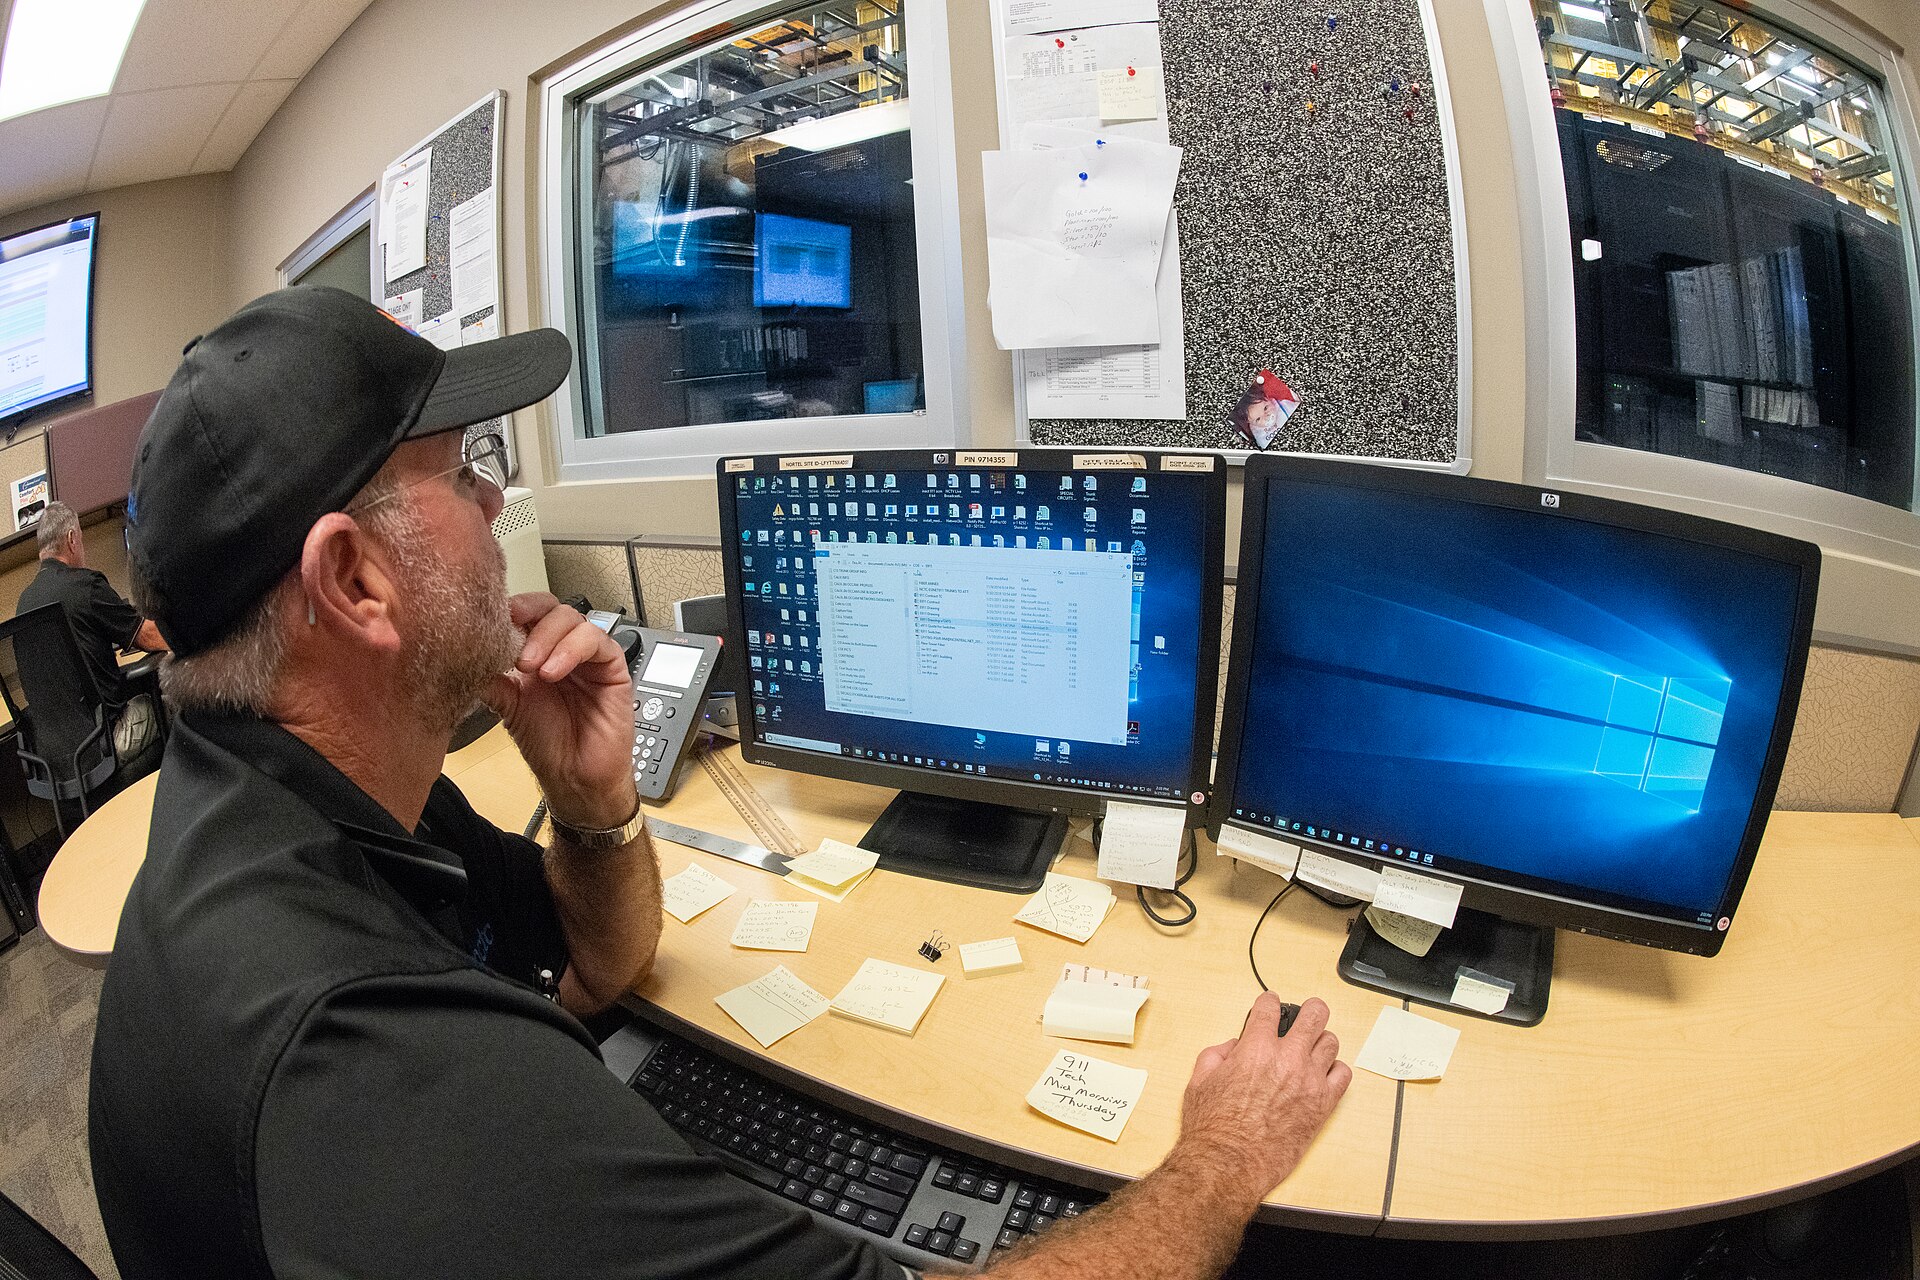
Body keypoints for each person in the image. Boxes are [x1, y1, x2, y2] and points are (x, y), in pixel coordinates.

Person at [88, 285, 1352, 1279]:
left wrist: (595, 806)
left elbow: (597, 972)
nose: (495, 497)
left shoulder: (312, 795)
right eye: (463, 467)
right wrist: (1225, 1153)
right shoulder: (372, 1060)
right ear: (355, 581)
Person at [15, 500, 168, 759]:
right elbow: (148, 637)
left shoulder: (23, 604)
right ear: (72, 539)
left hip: (60, 760)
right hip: (108, 740)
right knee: (174, 701)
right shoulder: (85, 587)